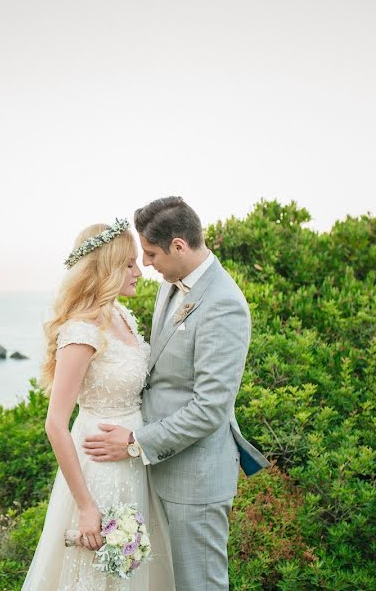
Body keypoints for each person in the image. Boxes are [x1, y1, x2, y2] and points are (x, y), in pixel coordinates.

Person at [82, 197, 271, 591]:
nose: (146, 264)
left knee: (199, 584)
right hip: (157, 471)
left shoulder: (224, 304)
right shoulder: (172, 286)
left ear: (179, 246)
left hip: (196, 478)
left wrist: (135, 441)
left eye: (151, 253)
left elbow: (210, 408)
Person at [22, 218, 176, 590]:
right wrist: (86, 506)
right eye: (128, 264)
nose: (139, 272)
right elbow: (55, 423)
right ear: (105, 269)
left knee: (134, 569)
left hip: (133, 460)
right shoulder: (82, 330)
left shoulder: (121, 315)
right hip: (99, 467)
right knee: (98, 571)